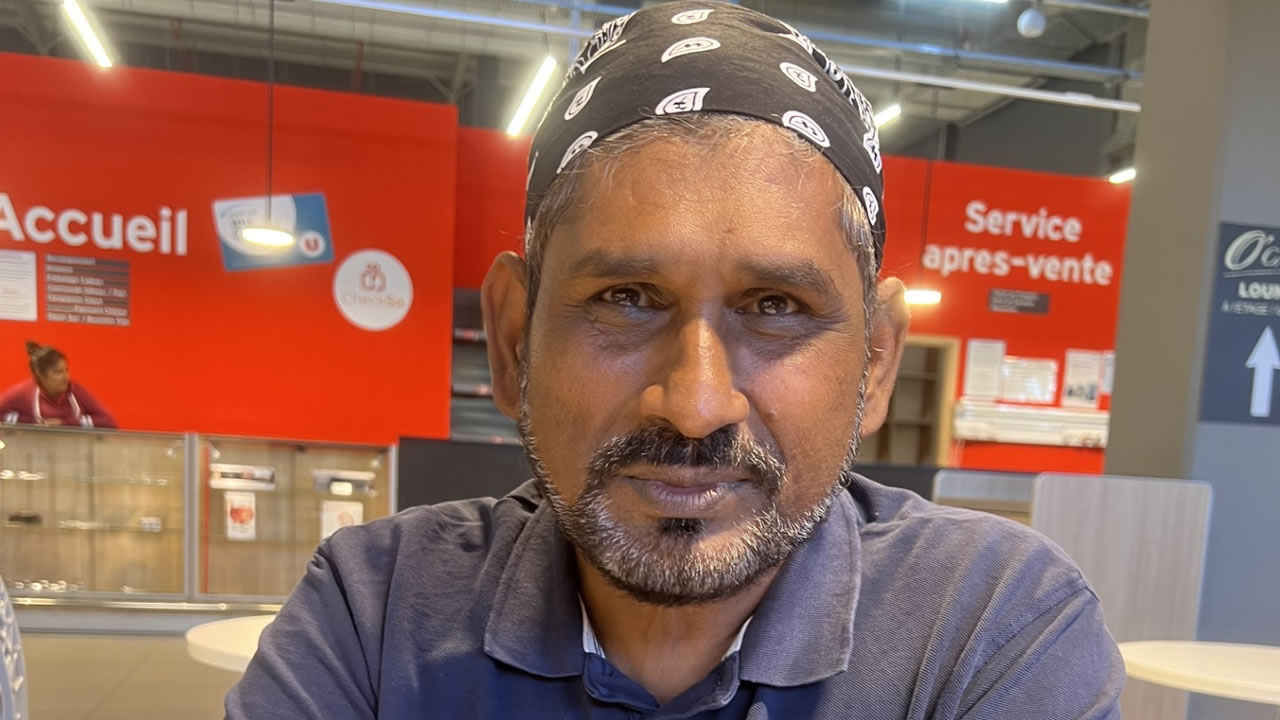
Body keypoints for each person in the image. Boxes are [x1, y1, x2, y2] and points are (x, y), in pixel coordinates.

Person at [227, 3, 1124, 718]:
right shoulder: (376, 614)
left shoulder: (991, 626)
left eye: (776, 308)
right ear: (513, 342)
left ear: (877, 361)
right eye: (626, 298)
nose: (695, 404)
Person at [0, 342, 117, 429]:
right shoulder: (23, 392)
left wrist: (64, 423)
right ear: (40, 374)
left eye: (66, 370)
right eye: (58, 372)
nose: (66, 377)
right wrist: (32, 423)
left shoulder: (75, 390)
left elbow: (108, 421)